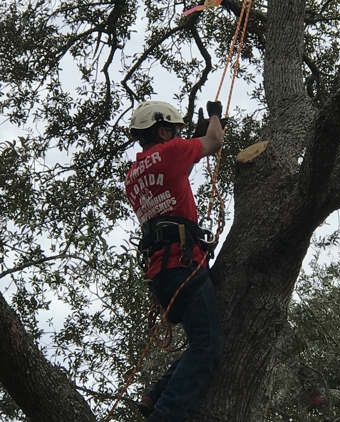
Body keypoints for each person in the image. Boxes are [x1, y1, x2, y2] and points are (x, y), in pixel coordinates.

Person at [125, 100, 225, 422]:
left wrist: (186, 141)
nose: (179, 136)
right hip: (183, 265)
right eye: (176, 131)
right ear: (163, 129)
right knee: (207, 347)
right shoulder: (172, 152)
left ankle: (154, 395)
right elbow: (215, 141)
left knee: (199, 342)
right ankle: (165, 415)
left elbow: (172, 176)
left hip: (160, 275)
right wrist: (214, 115)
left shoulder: (132, 176)